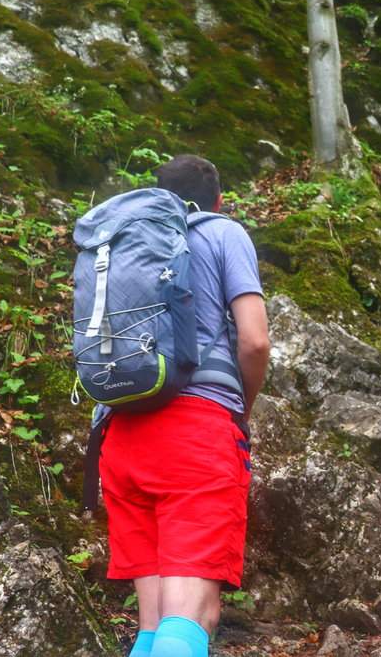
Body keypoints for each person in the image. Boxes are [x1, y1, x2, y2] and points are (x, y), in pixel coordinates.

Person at [99, 155, 271, 657]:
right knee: (191, 617)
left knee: (152, 627)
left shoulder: (125, 238)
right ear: (218, 200)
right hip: (195, 437)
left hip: (120, 436)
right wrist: (243, 408)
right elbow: (255, 342)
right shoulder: (222, 232)